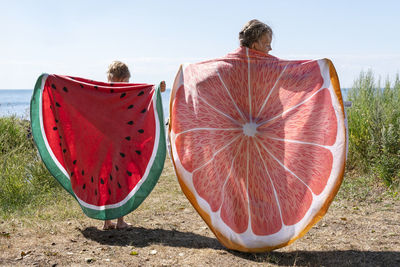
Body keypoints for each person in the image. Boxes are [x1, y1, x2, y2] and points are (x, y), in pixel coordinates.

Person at [103, 61, 165, 230]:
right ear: (123, 79)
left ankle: (107, 221)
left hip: (105, 143)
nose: (127, 85)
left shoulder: (103, 92)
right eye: (126, 81)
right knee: (121, 180)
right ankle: (120, 221)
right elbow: (144, 93)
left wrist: (157, 88)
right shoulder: (125, 93)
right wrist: (157, 88)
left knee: (107, 180)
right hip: (121, 142)